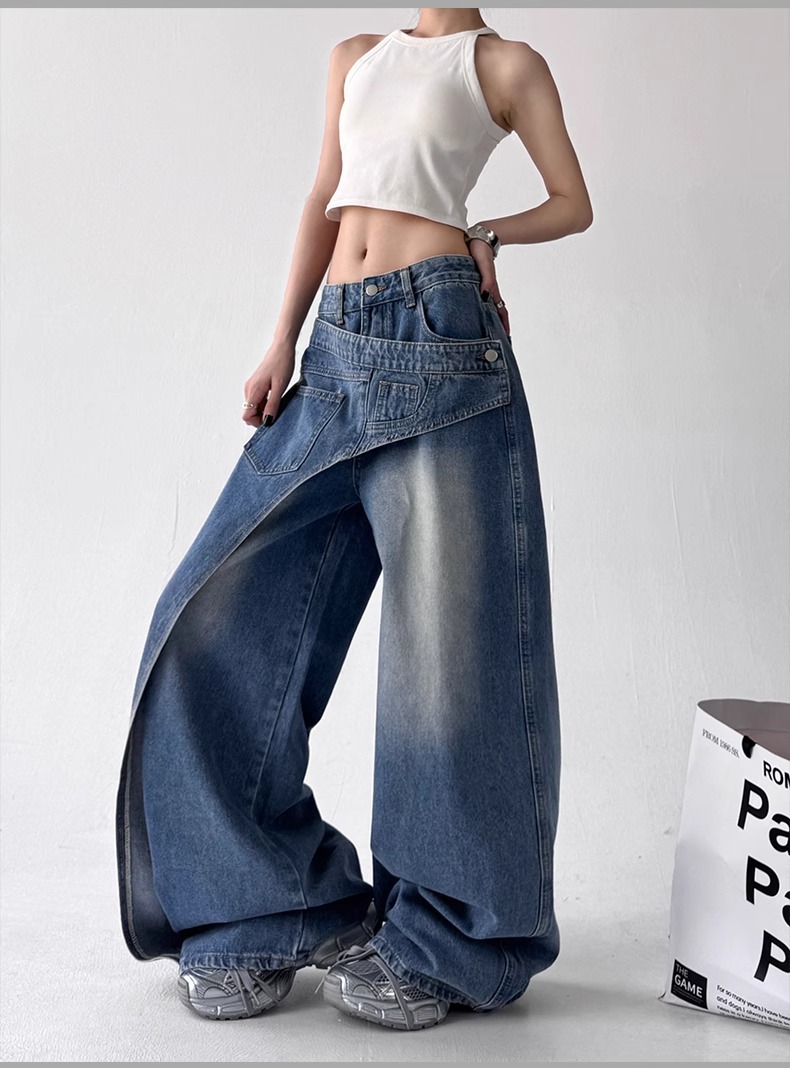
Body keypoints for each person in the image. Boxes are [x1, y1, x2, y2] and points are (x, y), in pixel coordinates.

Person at [115, 7, 593, 1031]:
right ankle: (266, 902)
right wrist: (279, 342)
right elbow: (323, 197)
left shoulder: (505, 66)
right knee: (209, 614)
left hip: (442, 339)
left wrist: (488, 234)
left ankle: (452, 941)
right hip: (336, 344)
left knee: (448, 667)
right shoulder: (355, 57)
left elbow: (574, 202)